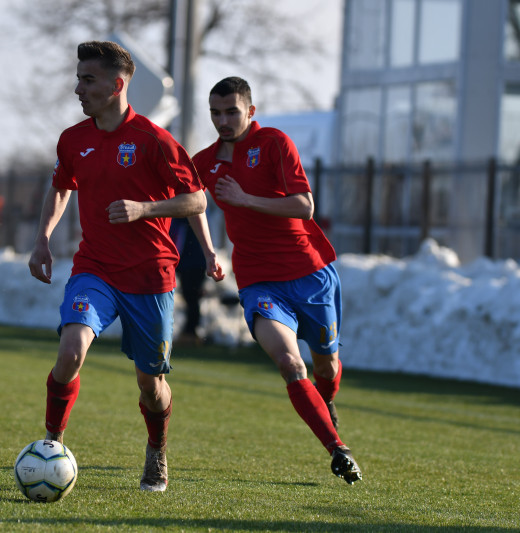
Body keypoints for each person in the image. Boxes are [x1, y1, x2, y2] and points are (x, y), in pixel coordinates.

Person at [28, 40, 223, 493]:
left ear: (117, 85)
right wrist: (42, 240)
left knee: (150, 384)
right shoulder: (73, 139)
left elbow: (197, 199)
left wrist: (145, 209)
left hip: (150, 274)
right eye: (78, 78)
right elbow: (61, 187)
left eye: (88, 79)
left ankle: (157, 450)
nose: (78, 88)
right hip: (94, 268)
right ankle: (51, 445)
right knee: (70, 350)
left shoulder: (154, 140)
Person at [191, 76, 363, 485]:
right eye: (215, 113)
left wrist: (245, 199)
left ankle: (328, 402)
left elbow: (305, 206)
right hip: (258, 283)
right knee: (290, 362)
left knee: (327, 362)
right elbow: (186, 200)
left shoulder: (274, 143)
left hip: (310, 274)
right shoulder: (205, 161)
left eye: (232, 111)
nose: (223, 120)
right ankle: (338, 450)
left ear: (250, 111)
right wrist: (209, 250)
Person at [170, 217, 208, 346]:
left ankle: (191, 332)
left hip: (194, 263)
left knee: (192, 298)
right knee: (189, 298)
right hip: (187, 262)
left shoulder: (188, 217)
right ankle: (190, 331)